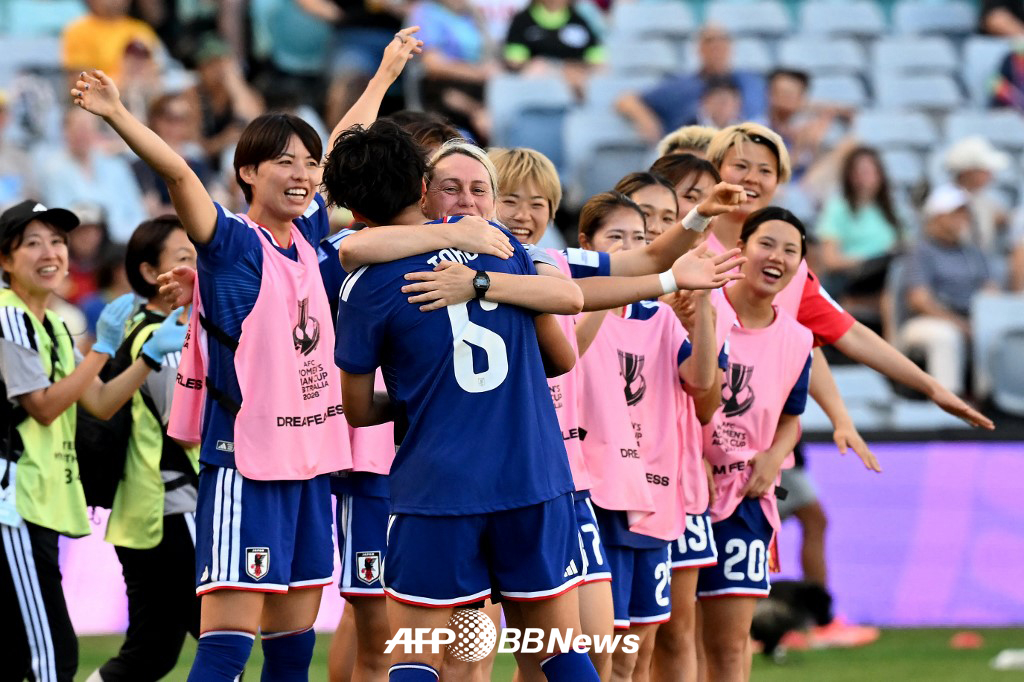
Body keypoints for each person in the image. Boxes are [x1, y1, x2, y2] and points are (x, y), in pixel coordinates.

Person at [73, 69, 355, 679]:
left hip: (307, 466)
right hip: (245, 467)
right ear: (247, 172)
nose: (303, 173)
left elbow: (344, 147)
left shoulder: (308, 235)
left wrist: (385, 72)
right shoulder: (230, 242)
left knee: (294, 647)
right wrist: (118, 114)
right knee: (225, 647)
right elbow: (178, 174)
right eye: (285, 161)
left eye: (309, 162)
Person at [327, 119, 599, 682]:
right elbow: (562, 349)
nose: (467, 200)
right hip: (531, 478)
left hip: (437, 488)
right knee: (556, 650)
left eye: (479, 188)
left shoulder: (368, 282)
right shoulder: (508, 253)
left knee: (416, 657)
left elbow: (357, 410)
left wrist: (417, 402)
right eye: (455, 186)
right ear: (421, 190)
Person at [0, 199, 185, 682]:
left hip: (38, 502)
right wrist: (102, 348)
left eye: (57, 241)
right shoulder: (9, 315)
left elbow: (99, 402)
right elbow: (42, 406)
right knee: (51, 659)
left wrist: (142, 359)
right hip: (12, 502)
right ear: (4, 259)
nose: (51, 252)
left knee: (35, 653)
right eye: (33, 243)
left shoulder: (57, 324)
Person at [575, 190, 723, 682]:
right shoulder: (566, 307)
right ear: (586, 245)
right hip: (596, 495)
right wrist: (601, 285)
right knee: (592, 649)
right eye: (615, 238)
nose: (630, 247)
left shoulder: (658, 316)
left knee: (635, 653)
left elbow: (701, 382)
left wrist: (702, 305)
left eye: (639, 239)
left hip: (654, 495)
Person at [698, 207, 814, 682]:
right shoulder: (702, 306)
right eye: (767, 243)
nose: (777, 257)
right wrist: (691, 455)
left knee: (729, 647)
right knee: (671, 637)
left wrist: (772, 456)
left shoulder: (798, 338)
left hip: (747, 501)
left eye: (791, 250)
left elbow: (793, 417)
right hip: (682, 495)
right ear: (741, 249)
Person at [86, 216, 200, 682]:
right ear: (153, 273)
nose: (197, 266)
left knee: (150, 652)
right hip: (175, 509)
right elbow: (187, 428)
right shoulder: (165, 336)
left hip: (143, 513)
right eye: (184, 258)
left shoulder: (137, 327)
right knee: (223, 638)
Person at [899, 186, 998, 396]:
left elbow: (991, 290)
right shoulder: (921, 251)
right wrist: (959, 323)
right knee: (946, 336)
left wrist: (985, 318)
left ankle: (992, 400)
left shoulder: (973, 252)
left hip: (971, 319)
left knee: (996, 331)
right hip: (929, 320)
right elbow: (919, 300)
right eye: (955, 213)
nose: (962, 219)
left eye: (964, 213)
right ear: (937, 217)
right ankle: (950, 401)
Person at [615, 25, 766, 144]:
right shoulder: (680, 86)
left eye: (722, 40)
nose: (717, 46)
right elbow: (626, 100)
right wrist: (646, 119)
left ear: (731, 47)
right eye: (710, 41)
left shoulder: (752, 83)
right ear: (699, 48)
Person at [38, 107, 148, 243]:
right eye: (77, 129)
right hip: (81, 247)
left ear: (96, 132)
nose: (82, 135)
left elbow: (137, 212)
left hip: (124, 242)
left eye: (87, 129)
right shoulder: (53, 171)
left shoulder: (116, 167)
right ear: (65, 132)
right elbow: (61, 218)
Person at [815, 146, 902, 307]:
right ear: (849, 176)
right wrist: (867, 260)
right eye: (859, 172)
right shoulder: (838, 208)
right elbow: (830, 260)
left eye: (869, 171)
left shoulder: (892, 211)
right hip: (853, 279)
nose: (864, 178)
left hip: (886, 279)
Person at [409, 0, 498, 142]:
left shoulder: (472, 13)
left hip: (479, 87)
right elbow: (433, 65)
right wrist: (478, 74)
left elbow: (488, 54)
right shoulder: (426, 12)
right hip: (441, 87)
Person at [503, 0, 605, 97]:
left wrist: (576, 70)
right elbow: (514, 62)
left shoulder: (580, 21)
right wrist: (556, 71)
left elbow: (598, 62)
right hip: (535, 87)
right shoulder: (523, 21)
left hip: (576, 87)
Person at [62, 0, 162, 83]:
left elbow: (158, 71)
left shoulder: (141, 29)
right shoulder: (78, 30)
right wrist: (123, 78)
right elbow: (79, 82)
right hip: (99, 98)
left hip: (142, 92)